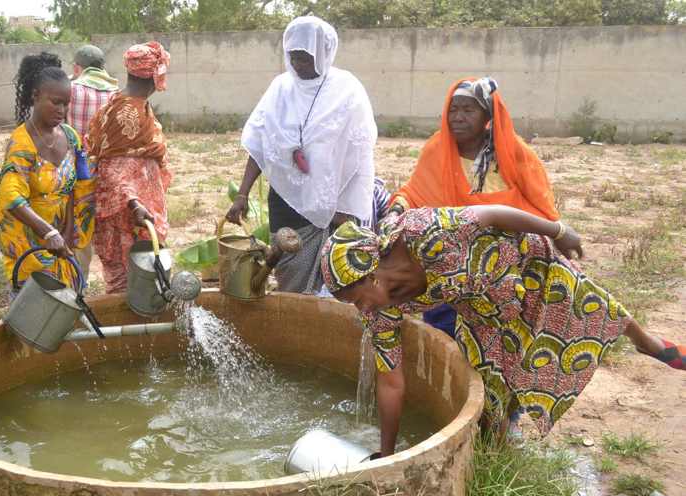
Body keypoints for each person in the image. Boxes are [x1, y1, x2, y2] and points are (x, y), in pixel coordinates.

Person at [321, 206, 685, 457]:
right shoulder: (381, 313)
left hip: (523, 263)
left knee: (588, 304)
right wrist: (387, 453)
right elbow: (391, 382)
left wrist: (559, 230)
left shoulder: (426, 232)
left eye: (357, 298)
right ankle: (503, 454)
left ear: (372, 273)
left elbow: (493, 213)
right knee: (490, 393)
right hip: (483, 310)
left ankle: (645, 341)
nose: (361, 309)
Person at [388, 77, 558, 336]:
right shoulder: (437, 149)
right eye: (453, 109)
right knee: (445, 337)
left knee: (498, 337)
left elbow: (539, 208)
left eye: (468, 110)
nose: (458, 117)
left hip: (501, 269)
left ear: (487, 115)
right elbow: (414, 193)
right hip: (448, 266)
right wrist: (395, 211)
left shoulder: (513, 154)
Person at [226, 16, 379, 294]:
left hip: (335, 208)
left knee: (337, 281)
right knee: (289, 269)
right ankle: (294, 321)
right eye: (293, 57)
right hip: (286, 199)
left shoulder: (347, 90)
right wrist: (242, 194)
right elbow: (260, 145)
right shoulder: (280, 89)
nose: (298, 65)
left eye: (306, 58)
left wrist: (342, 210)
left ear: (324, 54)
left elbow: (359, 155)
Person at [0, 53, 95, 289]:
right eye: (55, 102)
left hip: (62, 242)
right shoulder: (21, 143)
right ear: (35, 96)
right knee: (35, 314)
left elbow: (73, 188)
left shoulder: (70, 137)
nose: (61, 110)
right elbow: (12, 197)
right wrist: (48, 233)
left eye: (65, 103)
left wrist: (69, 230)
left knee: (67, 309)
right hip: (31, 244)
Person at [86, 41, 171, 293]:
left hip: (136, 207)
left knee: (140, 276)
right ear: (154, 75)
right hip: (130, 213)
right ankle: (126, 327)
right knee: (132, 278)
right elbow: (113, 168)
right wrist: (133, 203)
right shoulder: (126, 113)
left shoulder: (127, 103)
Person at [68, 45, 119, 140]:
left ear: (75, 68)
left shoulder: (70, 89)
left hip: (75, 152)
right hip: (102, 153)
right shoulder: (116, 94)